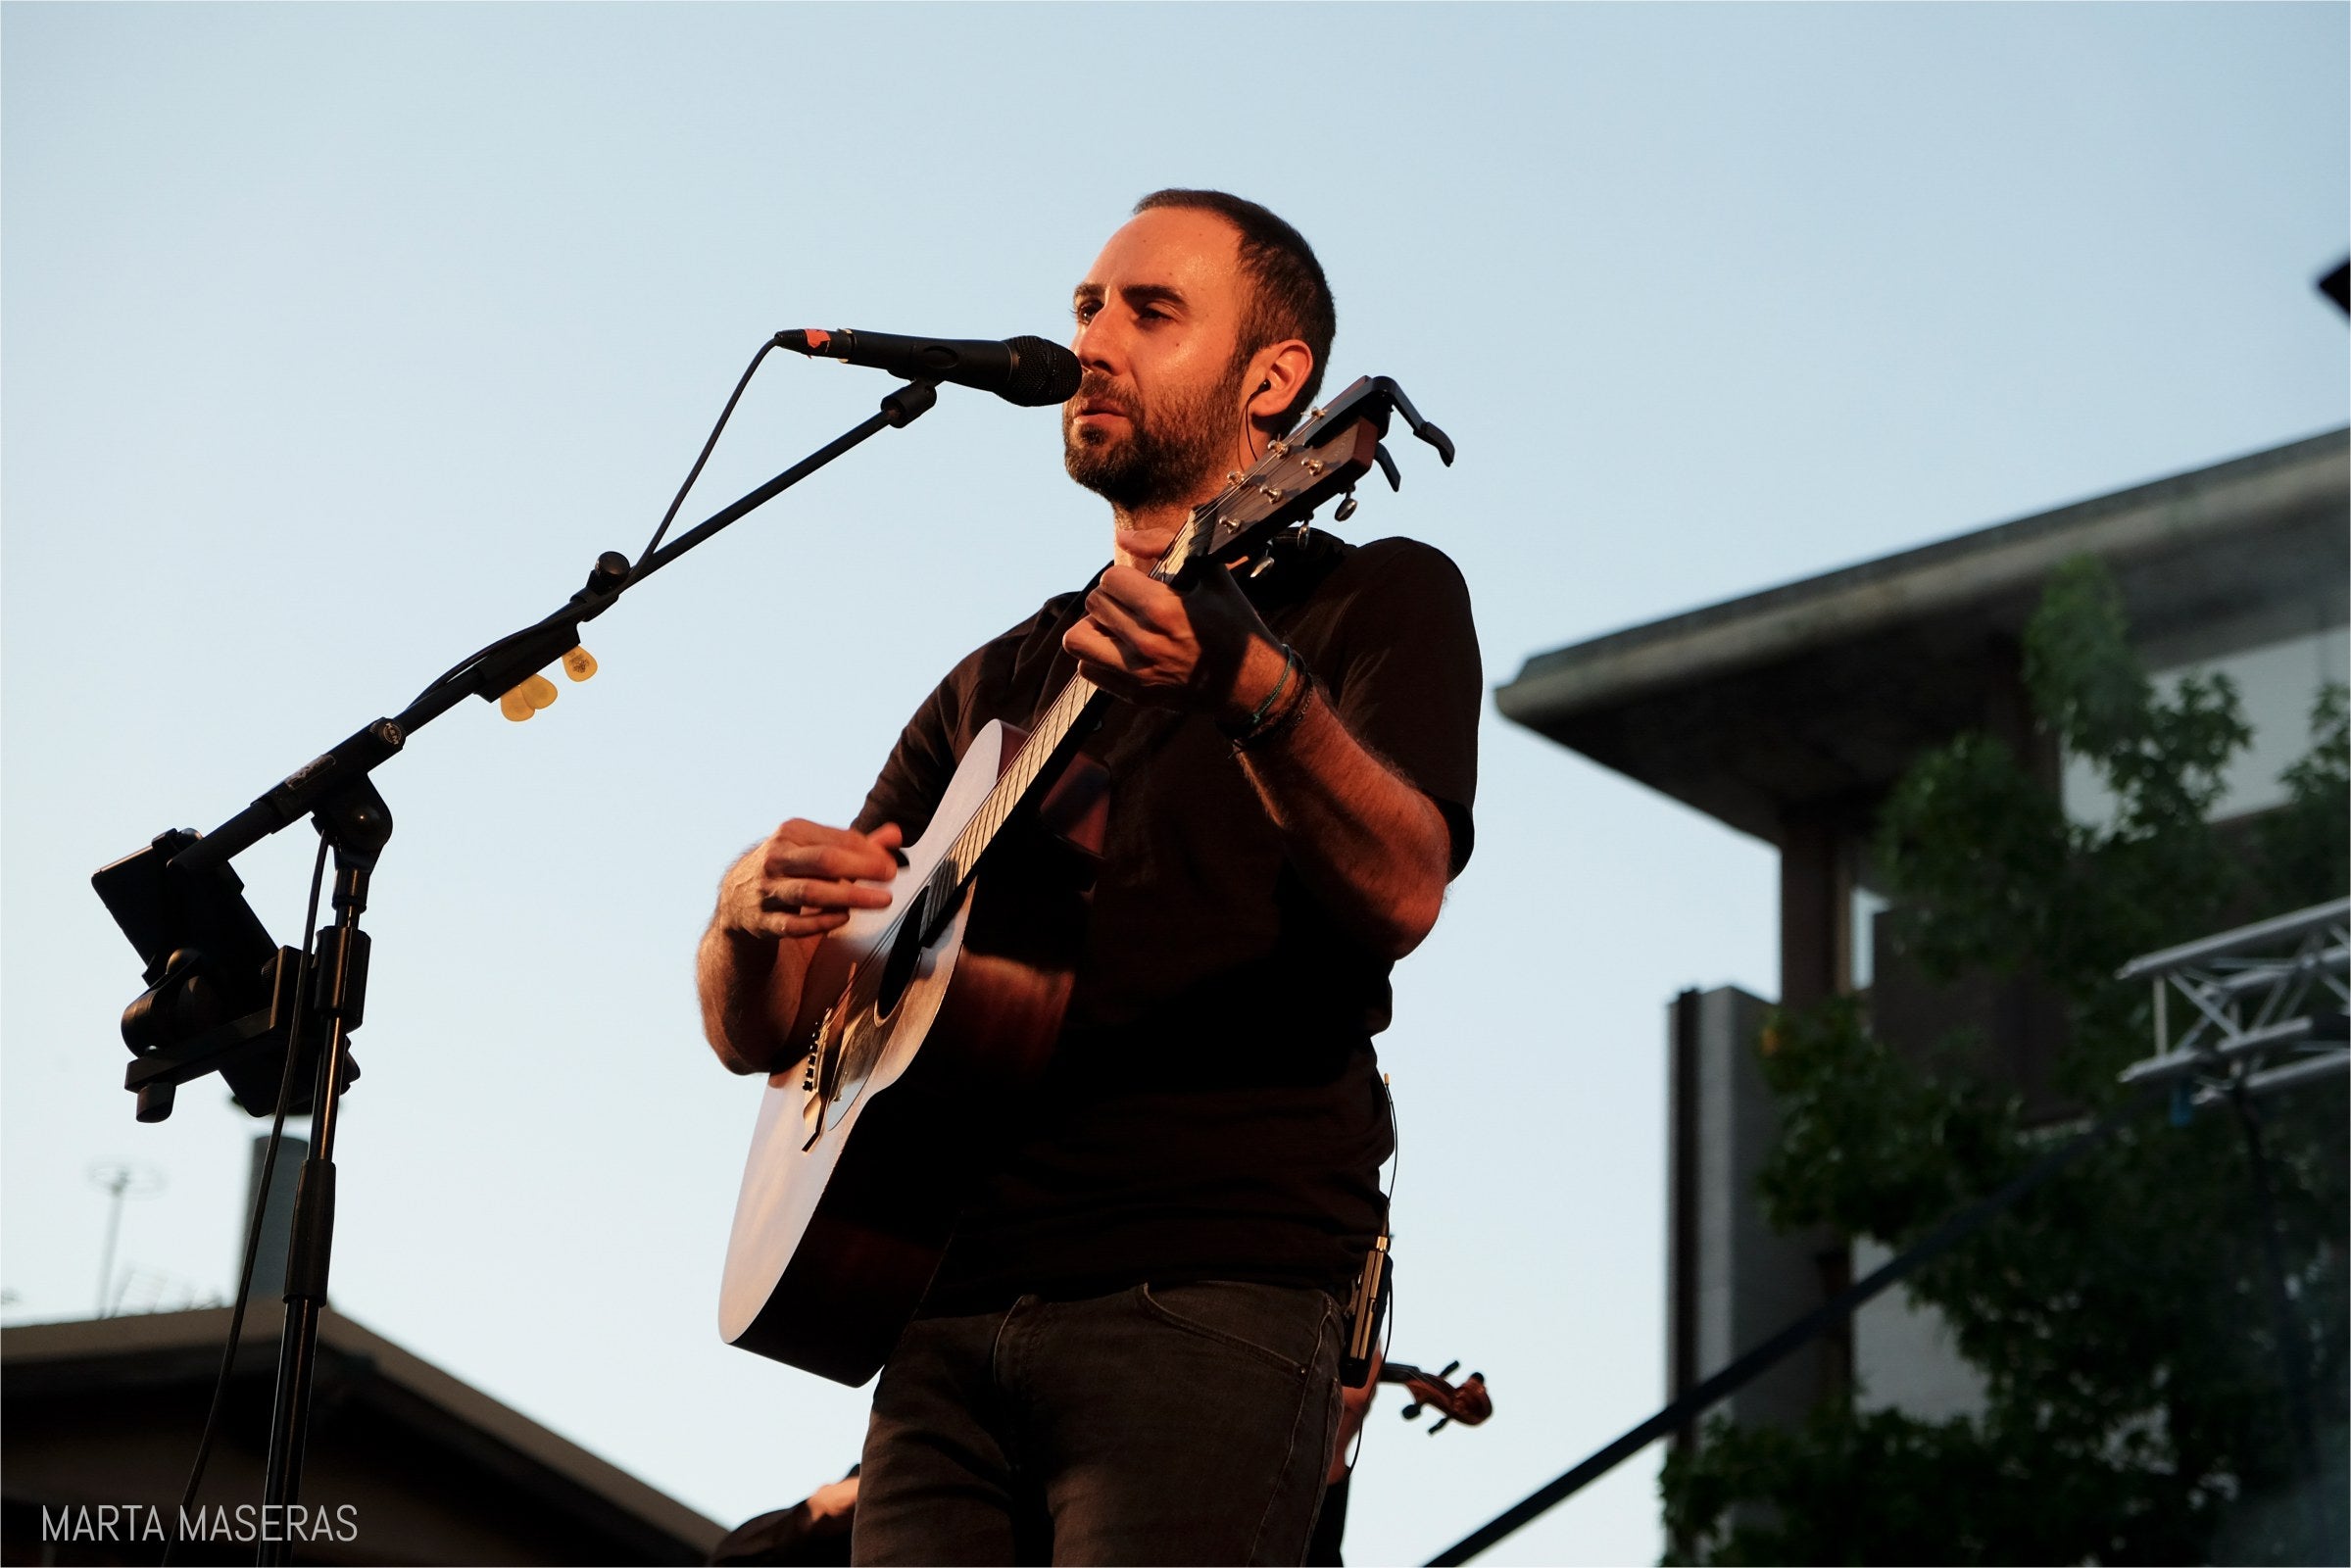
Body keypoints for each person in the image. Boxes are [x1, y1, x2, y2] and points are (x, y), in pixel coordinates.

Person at [695, 189, 1480, 1566]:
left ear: (1276, 382)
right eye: (1086, 308)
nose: (1093, 343)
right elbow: (773, 1029)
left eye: (1150, 312)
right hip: (939, 1318)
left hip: (1207, 1290)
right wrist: (743, 923)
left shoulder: (1378, 598)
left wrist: (1254, 693)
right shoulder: (998, 683)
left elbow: (1406, 890)